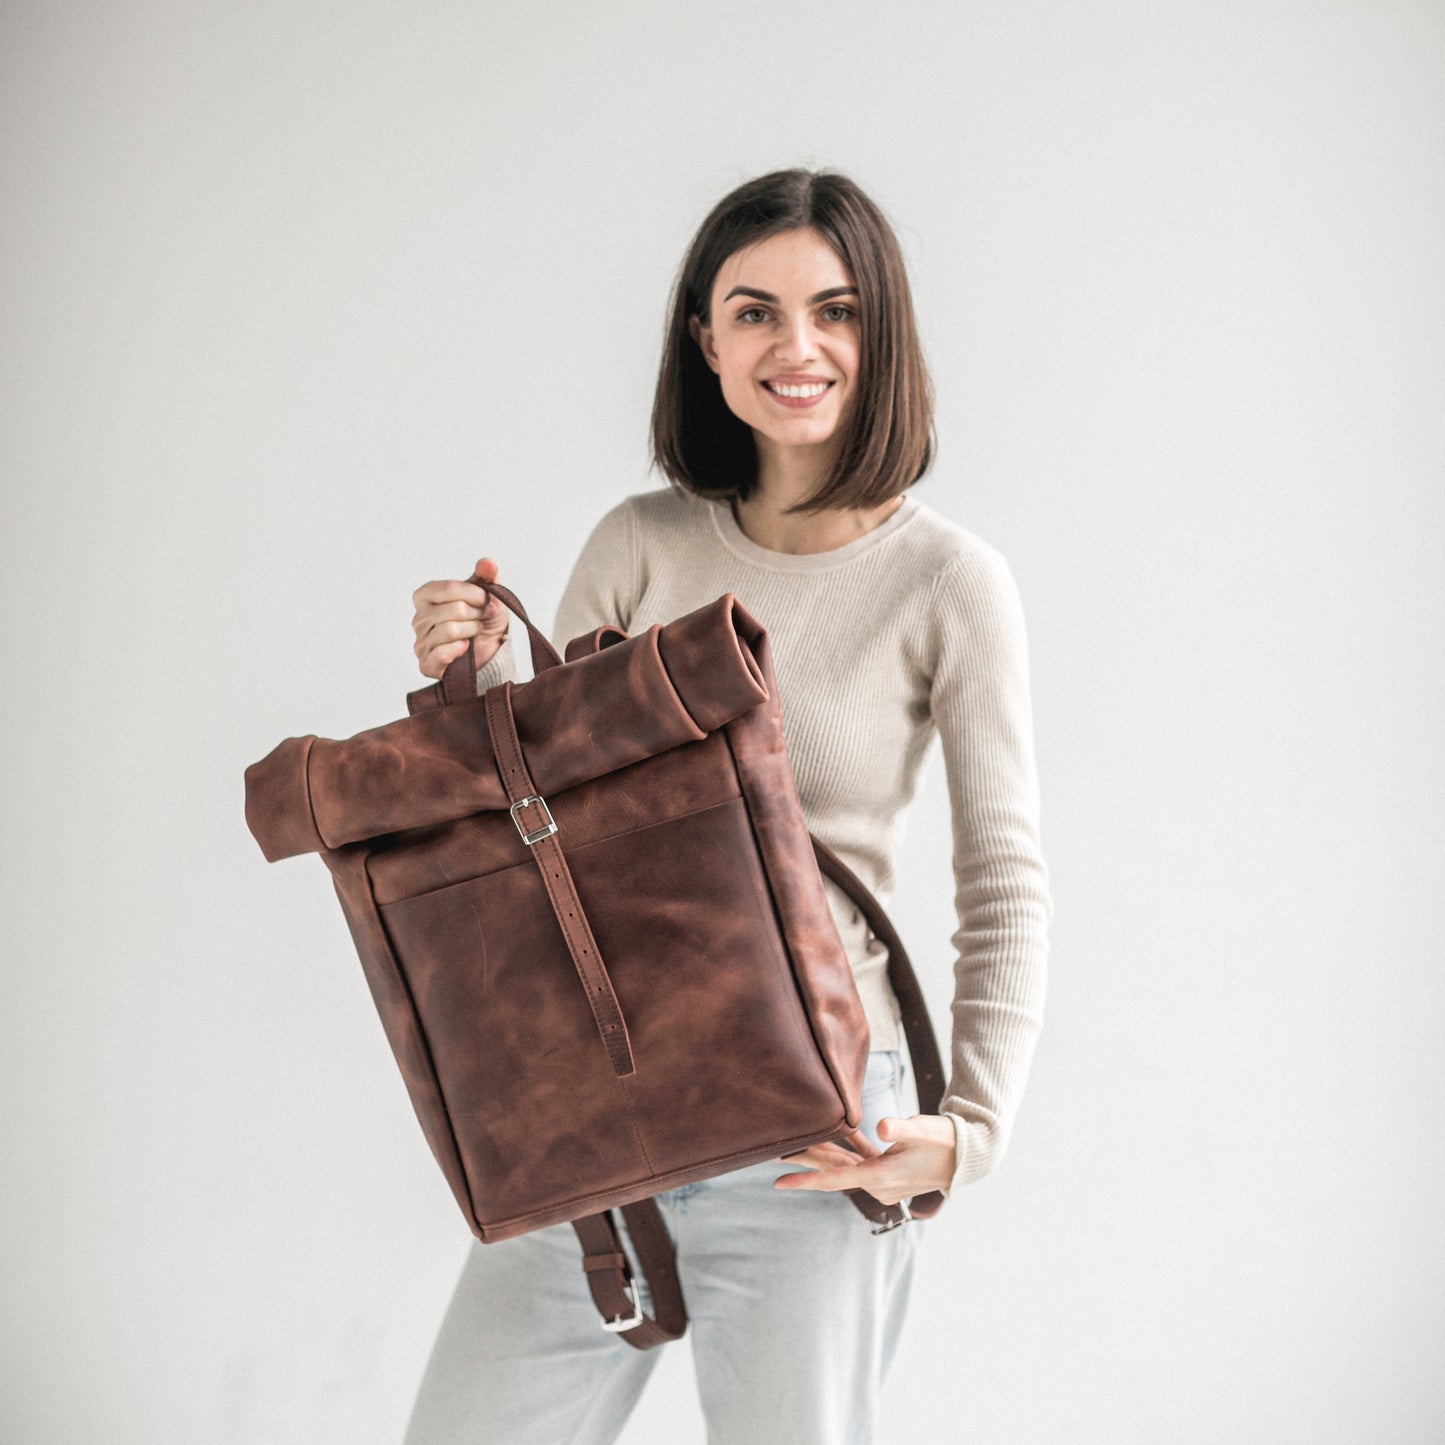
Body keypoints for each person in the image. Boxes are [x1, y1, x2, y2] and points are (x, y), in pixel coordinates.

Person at [401, 168, 1052, 1445]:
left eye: (836, 311)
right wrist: (472, 680)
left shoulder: (947, 581)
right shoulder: (642, 541)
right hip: (600, 1111)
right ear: (705, 341)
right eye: (752, 312)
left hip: (814, 1134)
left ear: (883, 337)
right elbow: (533, 832)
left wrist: (970, 1125)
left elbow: (1004, 875)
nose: (794, 347)